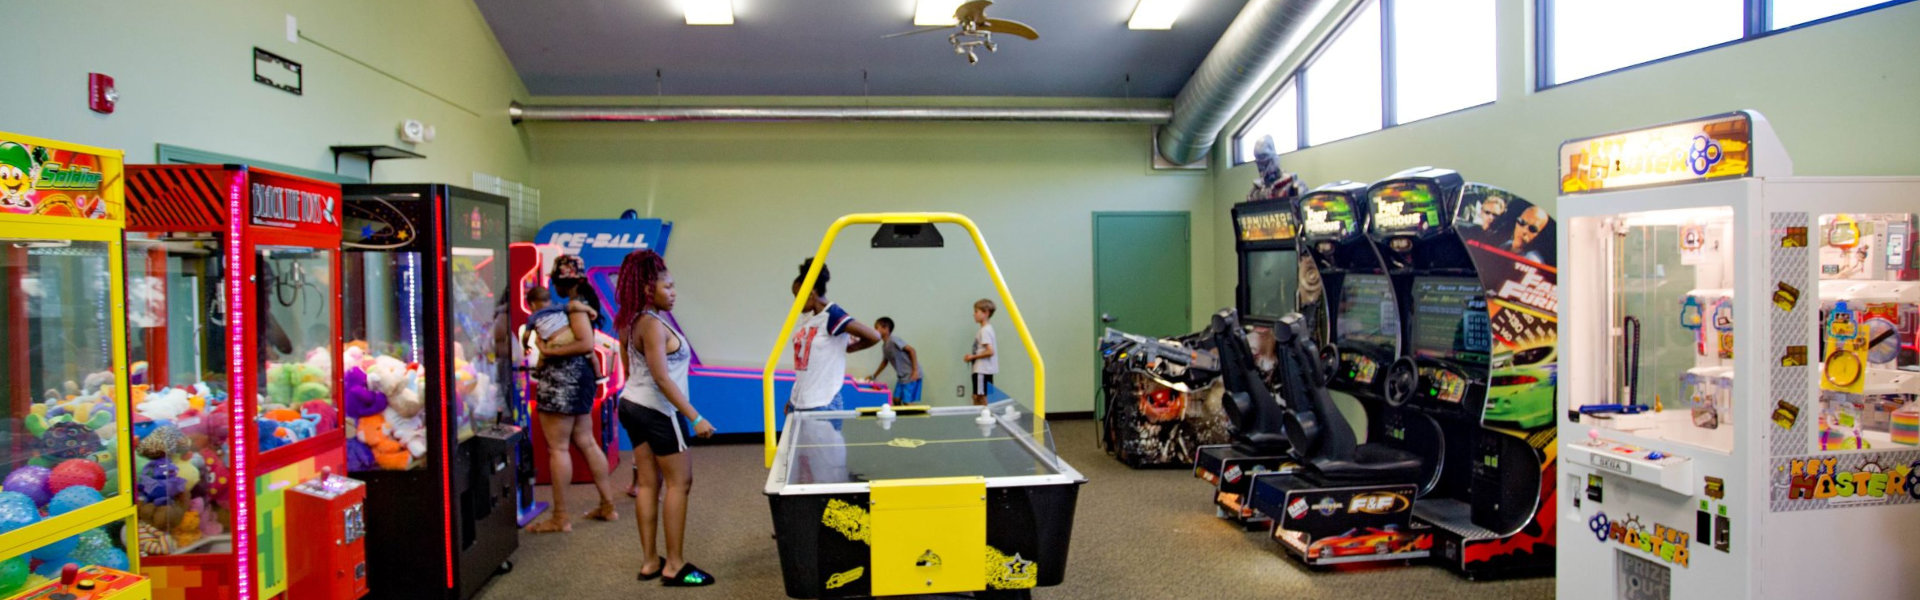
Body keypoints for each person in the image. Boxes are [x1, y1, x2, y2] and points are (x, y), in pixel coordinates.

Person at [613, 250, 716, 587]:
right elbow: (661, 377)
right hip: (658, 410)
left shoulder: (628, 321)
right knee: (679, 483)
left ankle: (649, 562)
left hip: (631, 404)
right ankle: (673, 565)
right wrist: (695, 416)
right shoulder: (653, 326)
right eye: (668, 286)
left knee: (647, 483)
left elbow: (630, 371)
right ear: (647, 288)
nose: (673, 292)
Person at [526, 255, 620, 533]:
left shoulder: (574, 308)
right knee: (587, 442)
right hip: (581, 380)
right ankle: (607, 505)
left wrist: (550, 351)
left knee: (559, 448)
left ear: (558, 281)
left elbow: (584, 343)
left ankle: (561, 517)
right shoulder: (581, 305)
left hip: (561, 381)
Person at [788, 258, 880, 413]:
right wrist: (793, 399)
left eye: (797, 297)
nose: (795, 302)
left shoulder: (832, 315)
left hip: (821, 403)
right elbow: (808, 367)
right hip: (799, 401)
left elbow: (874, 336)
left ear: (811, 294)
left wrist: (849, 348)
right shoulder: (809, 318)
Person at [865, 317, 921, 405]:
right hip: (902, 377)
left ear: (886, 329)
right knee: (896, 400)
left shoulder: (894, 340)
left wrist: (915, 371)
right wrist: (873, 376)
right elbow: (884, 362)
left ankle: (914, 417)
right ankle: (901, 417)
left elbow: (912, 350)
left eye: (876, 328)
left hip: (910, 375)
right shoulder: (884, 346)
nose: (875, 331)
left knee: (907, 402)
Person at [962, 298, 999, 406]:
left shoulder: (985, 330)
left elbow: (990, 351)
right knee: (979, 395)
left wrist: (972, 357)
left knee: (979, 396)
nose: (974, 314)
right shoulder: (986, 329)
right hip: (982, 369)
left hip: (982, 369)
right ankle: (982, 417)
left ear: (986, 313)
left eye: (976, 311)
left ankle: (984, 418)